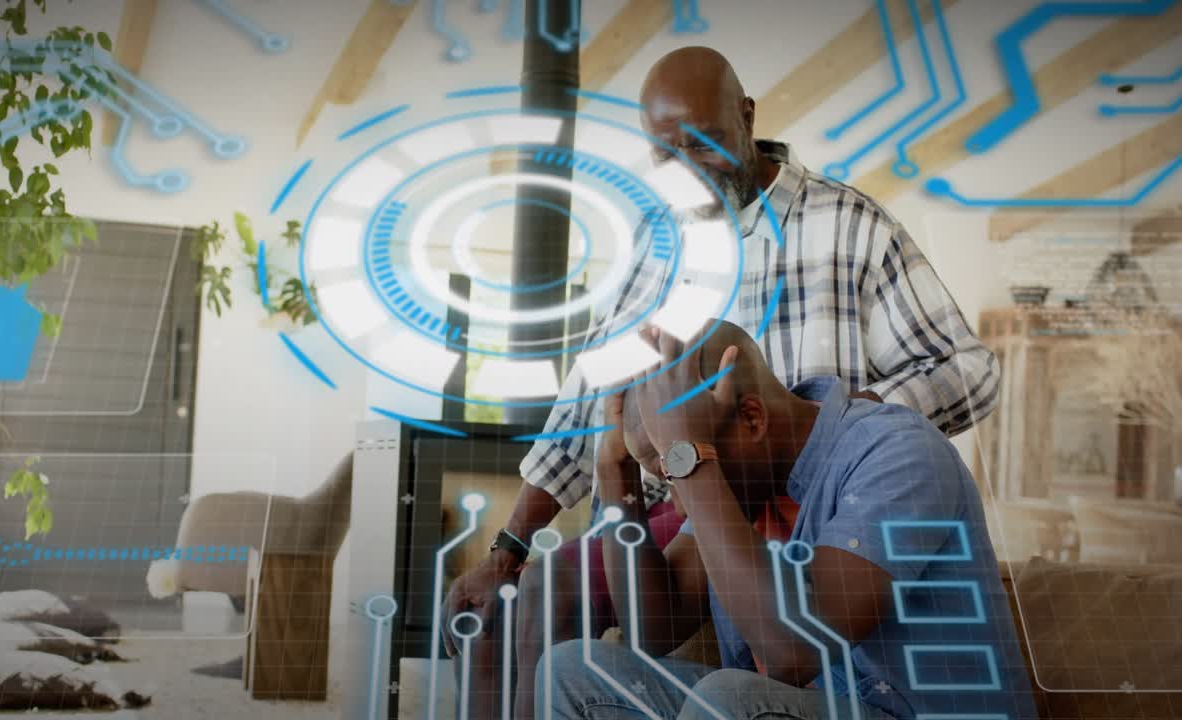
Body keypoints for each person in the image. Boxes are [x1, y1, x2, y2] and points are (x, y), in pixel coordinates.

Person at [442, 46, 1000, 719]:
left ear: (746, 116)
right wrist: (511, 546)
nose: (686, 172)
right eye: (666, 154)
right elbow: (582, 414)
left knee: (727, 689)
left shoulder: (849, 227)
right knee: (527, 623)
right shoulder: (654, 245)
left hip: (787, 479)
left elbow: (968, 372)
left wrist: (857, 424)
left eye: (702, 144)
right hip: (699, 490)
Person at [541, 319, 1036, 720]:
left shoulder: (898, 454)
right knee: (570, 672)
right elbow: (652, 629)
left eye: (677, 469)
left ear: (752, 419)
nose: (682, 501)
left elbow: (793, 652)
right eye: (667, 475)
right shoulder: (741, 476)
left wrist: (691, 458)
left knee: (732, 700)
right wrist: (613, 469)